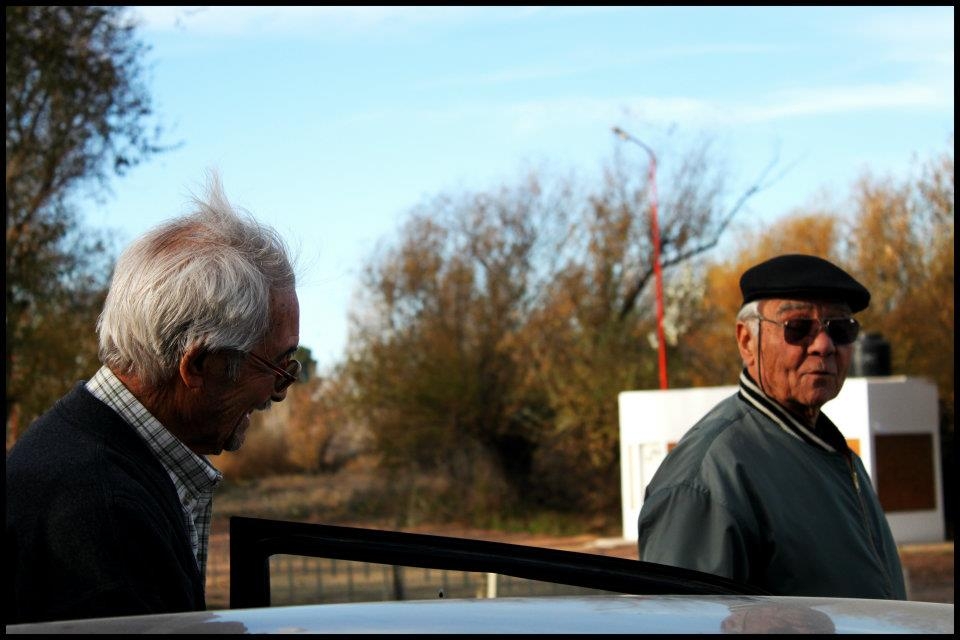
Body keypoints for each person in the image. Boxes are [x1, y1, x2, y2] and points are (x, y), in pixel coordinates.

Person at [6, 172, 301, 624]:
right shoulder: (103, 517)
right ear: (200, 366)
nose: (277, 395)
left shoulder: (82, 446)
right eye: (279, 368)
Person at [636, 253, 906, 599]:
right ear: (747, 341)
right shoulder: (707, 475)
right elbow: (682, 622)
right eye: (798, 328)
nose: (824, 346)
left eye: (840, 329)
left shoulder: (827, 449)